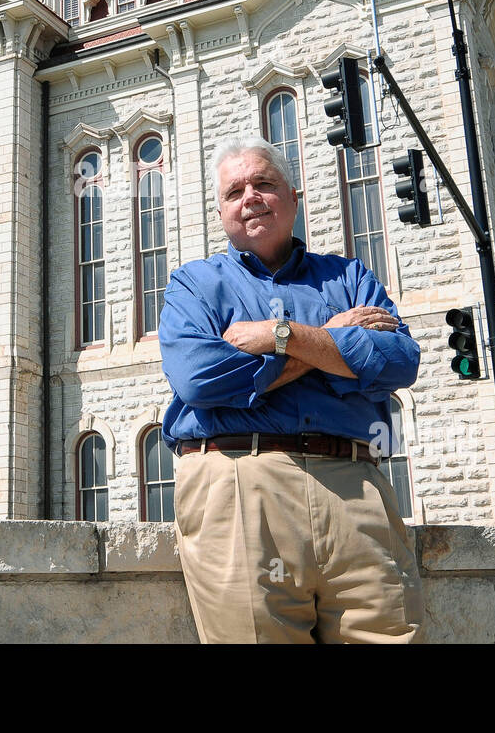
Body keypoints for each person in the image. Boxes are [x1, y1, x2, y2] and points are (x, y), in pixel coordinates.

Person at [158, 137, 424, 643]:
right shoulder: (193, 286)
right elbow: (201, 378)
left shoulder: (349, 278)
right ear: (221, 211)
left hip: (356, 486)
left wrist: (279, 336)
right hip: (241, 484)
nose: (251, 197)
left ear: (295, 198)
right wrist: (332, 344)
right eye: (235, 191)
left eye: (265, 184)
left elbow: (399, 362)